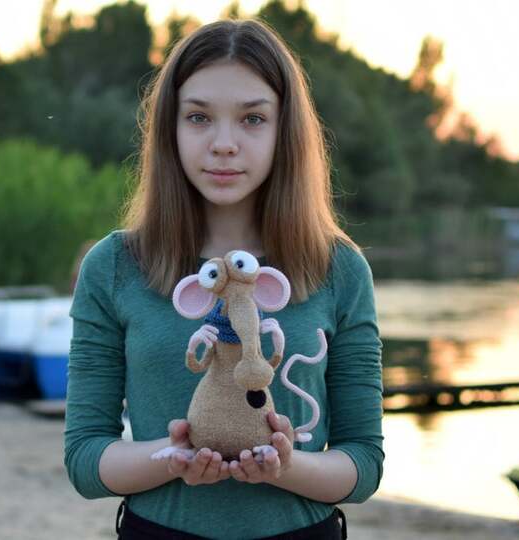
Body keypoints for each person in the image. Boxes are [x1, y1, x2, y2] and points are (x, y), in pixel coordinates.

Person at [64, 18, 383, 540]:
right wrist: (174, 456)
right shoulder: (114, 265)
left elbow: (363, 464)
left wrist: (284, 465)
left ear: (285, 131)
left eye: (253, 119)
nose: (224, 143)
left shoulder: (340, 268)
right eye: (199, 117)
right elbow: (85, 460)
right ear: (170, 129)